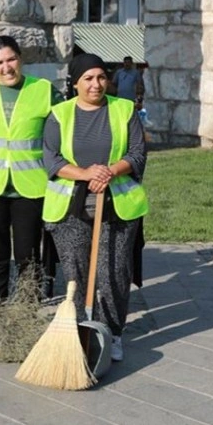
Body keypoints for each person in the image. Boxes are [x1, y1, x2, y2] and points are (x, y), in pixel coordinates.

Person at [42, 53, 148, 362]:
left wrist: (110, 171)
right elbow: (51, 158)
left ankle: (111, 332)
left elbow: (138, 153)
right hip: (69, 208)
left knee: (112, 271)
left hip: (116, 205)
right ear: (75, 83)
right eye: (88, 78)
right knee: (76, 273)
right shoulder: (59, 115)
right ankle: (79, 330)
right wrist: (86, 173)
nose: (96, 84)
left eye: (101, 77)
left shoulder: (124, 109)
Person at [0, 36, 64, 300]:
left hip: (29, 185)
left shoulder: (43, 90)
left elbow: (61, 131)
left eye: (11, 59)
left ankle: (26, 305)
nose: (6, 67)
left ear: (21, 58)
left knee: (26, 252)